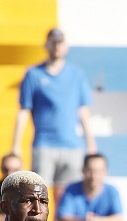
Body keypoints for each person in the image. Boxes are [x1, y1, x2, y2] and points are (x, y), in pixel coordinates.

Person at [12, 28, 97, 201]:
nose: (57, 47)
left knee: (68, 197)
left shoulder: (76, 75)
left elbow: (83, 111)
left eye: (60, 43)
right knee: (37, 195)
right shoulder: (33, 74)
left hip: (72, 145)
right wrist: (16, 145)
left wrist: (90, 143)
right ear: (47, 45)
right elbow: (24, 110)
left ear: (66, 46)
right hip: (44, 143)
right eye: (54, 42)